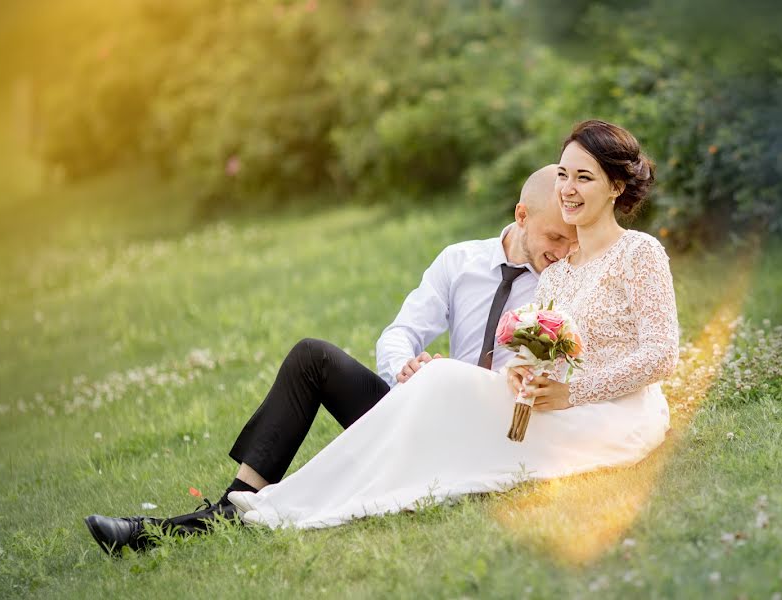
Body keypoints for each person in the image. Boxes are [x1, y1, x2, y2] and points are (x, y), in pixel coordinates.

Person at [84, 165, 577, 555]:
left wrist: (452, 380)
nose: (562, 250)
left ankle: (202, 521)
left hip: (473, 435)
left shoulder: (566, 282)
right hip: (413, 408)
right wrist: (403, 369)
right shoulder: (459, 261)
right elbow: (401, 332)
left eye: (570, 239)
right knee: (311, 356)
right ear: (521, 216)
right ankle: (240, 496)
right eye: (554, 237)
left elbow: (542, 379)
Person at [224, 119, 680, 531]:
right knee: (418, 374)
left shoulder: (639, 253)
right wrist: (522, 376)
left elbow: (662, 353)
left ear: (617, 187)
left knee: (441, 377)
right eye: (564, 174)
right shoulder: (553, 273)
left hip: (609, 413)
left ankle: (283, 502)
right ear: (523, 214)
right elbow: (539, 359)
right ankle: (266, 496)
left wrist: (565, 393)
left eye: (584, 177)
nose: (569, 188)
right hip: (514, 405)